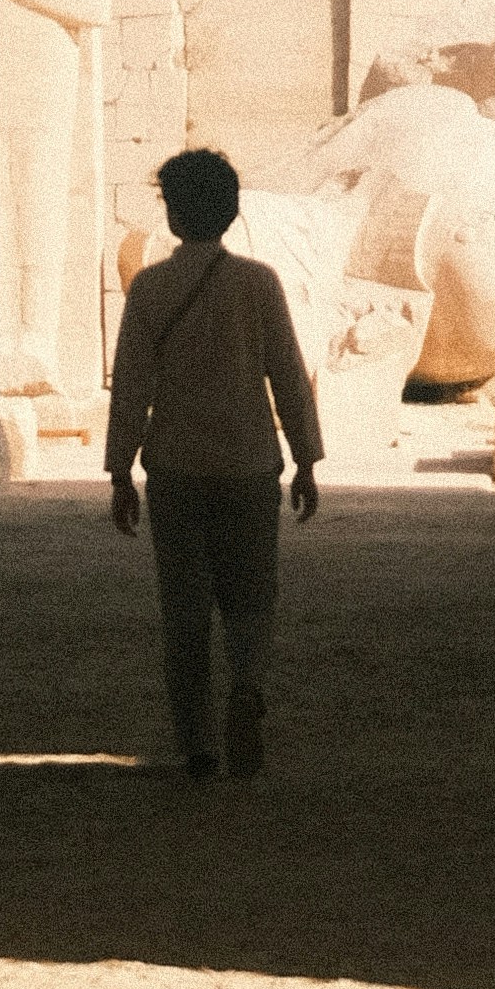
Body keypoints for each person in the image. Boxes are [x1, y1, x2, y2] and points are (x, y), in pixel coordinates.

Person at [107, 144, 320, 777]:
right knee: (252, 595)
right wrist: (306, 459)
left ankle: (196, 740)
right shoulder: (258, 283)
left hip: (175, 466)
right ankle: (248, 688)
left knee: (185, 605)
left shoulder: (149, 288)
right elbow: (287, 373)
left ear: (172, 214)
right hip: (250, 465)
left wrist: (121, 470)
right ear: (230, 211)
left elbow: (131, 386)